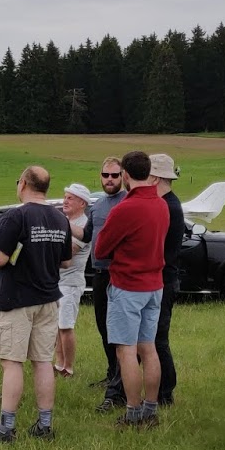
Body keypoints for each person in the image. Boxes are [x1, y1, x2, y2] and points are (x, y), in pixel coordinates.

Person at [0, 165, 73, 442]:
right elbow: (66, 260)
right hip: (49, 298)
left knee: (12, 363)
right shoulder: (59, 218)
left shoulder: (16, 216)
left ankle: (6, 428)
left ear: (23, 185)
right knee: (43, 362)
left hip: (17, 299)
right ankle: (44, 425)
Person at [91, 150, 170, 427]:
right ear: (149, 173)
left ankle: (133, 412)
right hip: (155, 285)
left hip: (128, 286)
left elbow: (100, 249)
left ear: (125, 174)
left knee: (126, 351)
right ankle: (151, 408)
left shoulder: (124, 209)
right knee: (148, 348)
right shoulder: (161, 204)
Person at [82, 157, 126, 411]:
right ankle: (112, 372)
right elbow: (87, 235)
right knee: (103, 327)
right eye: (105, 175)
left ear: (122, 176)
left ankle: (119, 386)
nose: (109, 179)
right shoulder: (97, 205)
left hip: (119, 274)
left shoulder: (126, 203)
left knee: (120, 331)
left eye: (114, 175)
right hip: (99, 273)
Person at [149, 154, 185, 407]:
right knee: (154, 337)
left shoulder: (168, 206)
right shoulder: (168, 203)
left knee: (158, 338)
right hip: (164, 278)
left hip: (163, 279)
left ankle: (165, 393)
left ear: (155, 177)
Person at [54, 183, 93, 378]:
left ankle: (68, 367)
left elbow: (68, 255)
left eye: (70, 198)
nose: (65, 201)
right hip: (57, 282)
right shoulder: (66, 221)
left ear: (82, 203)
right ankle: (58, 363)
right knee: (57, 326)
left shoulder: (84, 225)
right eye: (65, 197)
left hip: (70, 283)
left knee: (66, 326)